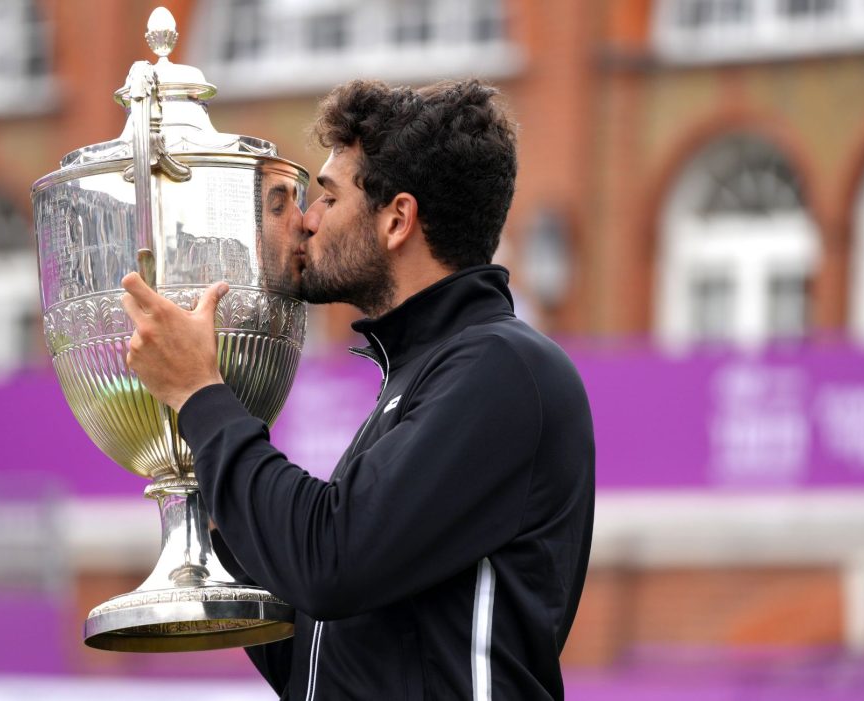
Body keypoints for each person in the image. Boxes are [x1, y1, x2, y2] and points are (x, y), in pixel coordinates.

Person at [120, 79, 595, 700]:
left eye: (327, 197)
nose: (307, 222)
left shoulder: (503, 368)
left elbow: (330, 563)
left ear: (397, 220)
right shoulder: (422, 373)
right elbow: (317, 659)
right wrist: (212, 529)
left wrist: (203, 397)